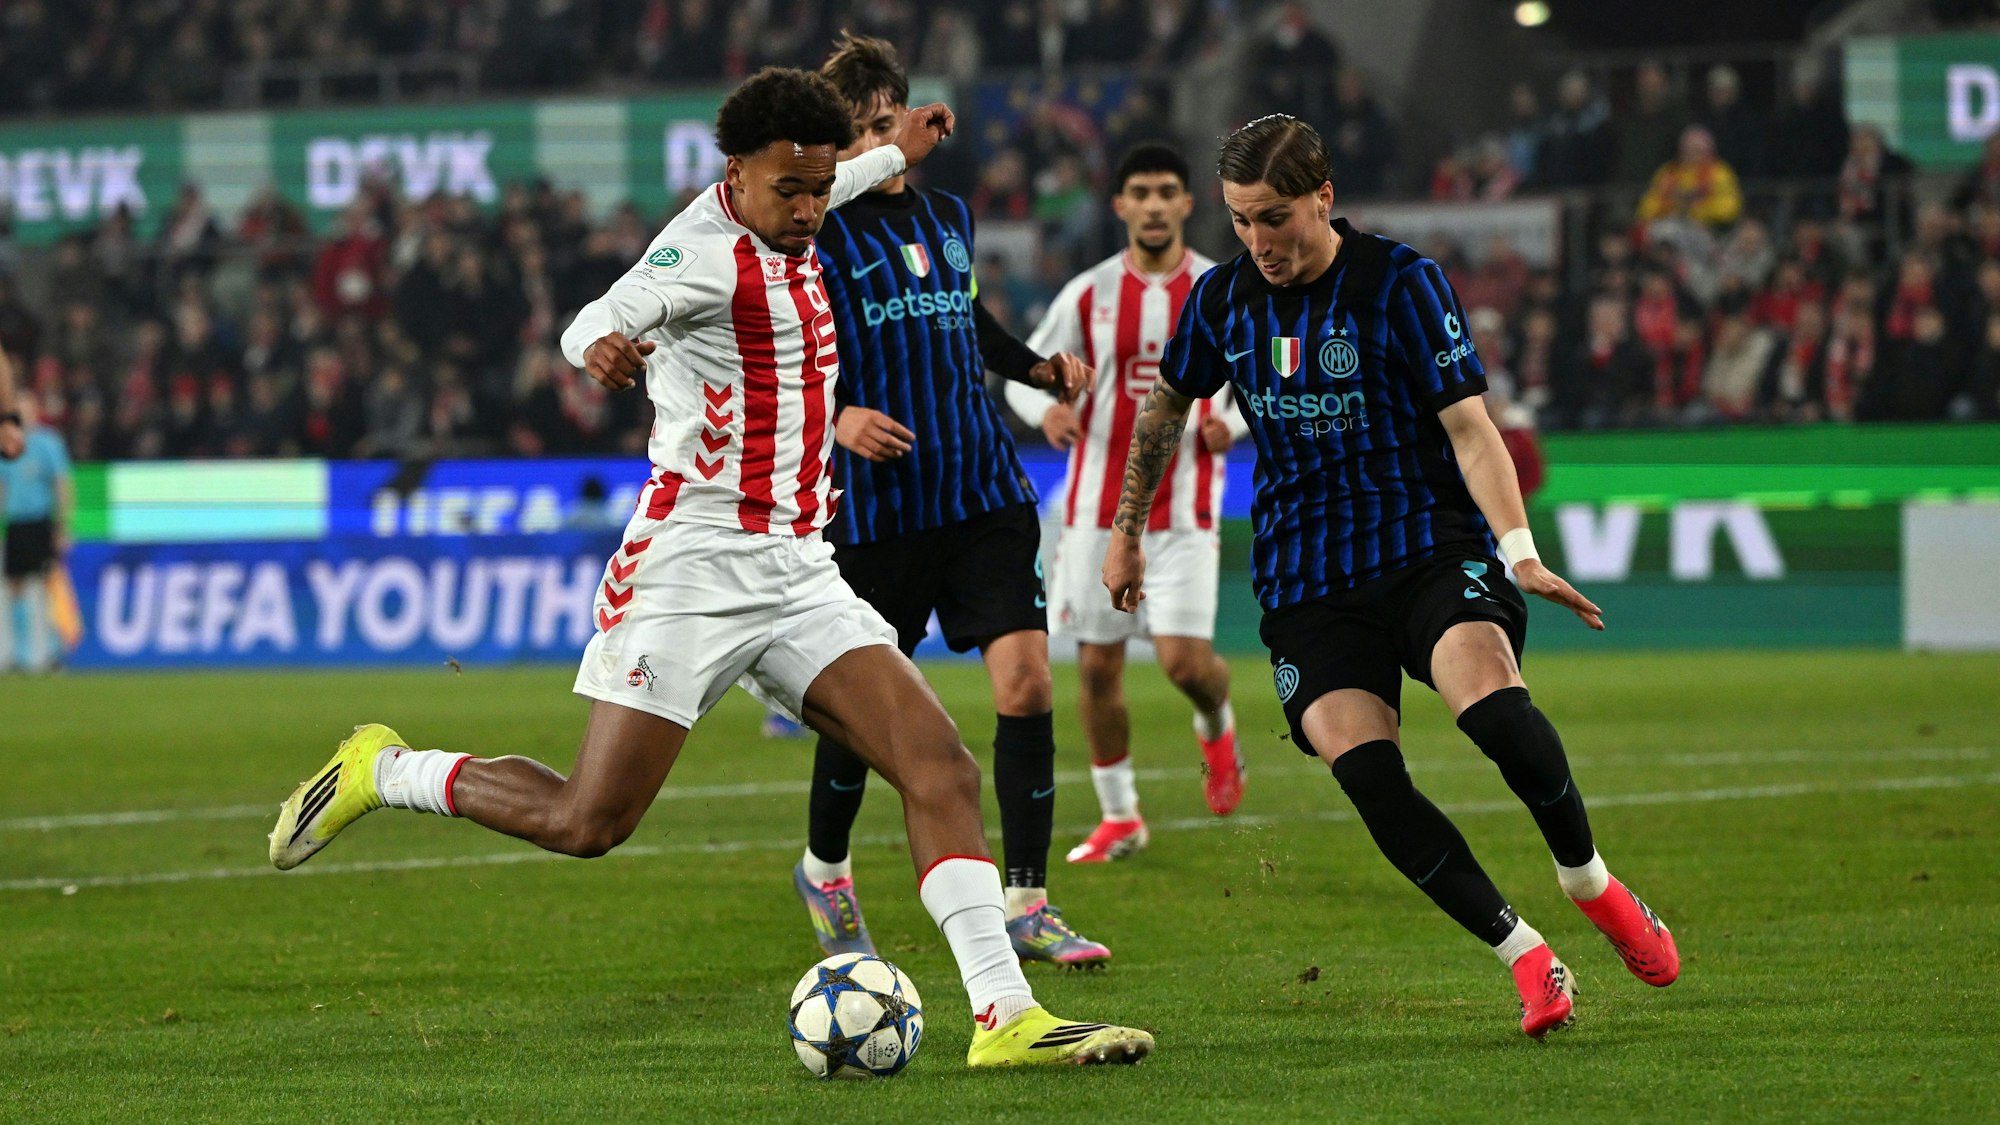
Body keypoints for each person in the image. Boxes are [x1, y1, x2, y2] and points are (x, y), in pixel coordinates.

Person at [266, 67, 1152, 1069]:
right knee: (587, 821)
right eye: (791, 191)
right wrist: (596, 346)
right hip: (690, 569)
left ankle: (1005, 1018)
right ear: (735, 175)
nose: (812, 209)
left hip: (797, 565)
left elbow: (860, 173)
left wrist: (904, 145)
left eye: (822, 188)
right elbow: (597, 313)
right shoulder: (696, 255)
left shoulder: (812, 194)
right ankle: (385, 769)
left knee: (937, 764)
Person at [1101, 115, 1680, 1040]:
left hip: (1422, 546)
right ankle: (1527, 954)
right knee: (1370, 776)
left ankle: (1591, 884)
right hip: (1305, 581)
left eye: (1276, 217)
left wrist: (1519, 547)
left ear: (1324, 198)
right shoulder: (1220, 300)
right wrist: (1125, 530)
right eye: (1243, 220)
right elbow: (1167, 400)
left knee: (1493, 711)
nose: (1259, 243)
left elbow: (1470, 428)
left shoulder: (1401, 283)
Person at [785, 33, 1112, 970]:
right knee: (864, 717)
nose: (881, 147)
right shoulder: (816, 236)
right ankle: (828, 868)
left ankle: (1028, 901)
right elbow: (791, 353)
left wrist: (1037, 368)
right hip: (880, 510)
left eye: (889, 125)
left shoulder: (952, 217)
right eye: (860, 136)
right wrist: (840, 415)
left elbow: (966, 320)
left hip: (981, 491)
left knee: (1027, 682)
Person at [1005, 142, 1246, 865]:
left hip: (1184, 508)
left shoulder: (1219, 286)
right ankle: (1121, 816)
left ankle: (1216, 717)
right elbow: (1026, 369)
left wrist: (1227, 424)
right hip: (1091, 513)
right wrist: (1041, 410)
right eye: (1137, 191)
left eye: (1164, 190)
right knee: (1097, 668)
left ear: (1185, 203)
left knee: (1183, 664)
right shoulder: (1086, 294)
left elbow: (1255, 381)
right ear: (1119, 206)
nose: (1150, 203)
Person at [0, 390, 73, 673]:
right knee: (14, 588)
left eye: (27, 408)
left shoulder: (48, 443)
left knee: (47, 586)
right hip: (16, 524)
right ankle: (19, 656)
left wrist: (63, 525)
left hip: (41, 522)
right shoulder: (8, 445)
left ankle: (52, 654)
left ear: (36, 410)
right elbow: (3, 488)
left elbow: (62, 485)